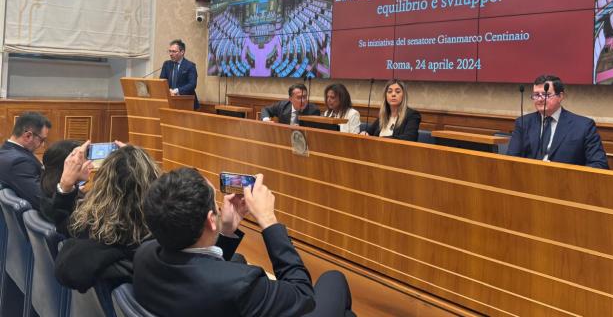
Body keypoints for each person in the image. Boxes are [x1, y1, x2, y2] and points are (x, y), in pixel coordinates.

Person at [134, 168, 355, 317]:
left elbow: (202, 268)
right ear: (211, 220)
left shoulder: (144, 255)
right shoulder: (240, 285)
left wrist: (226, 231)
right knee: (334, 279)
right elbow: (303, 298)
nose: (219, 207)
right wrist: (268, 221)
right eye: (215, 203)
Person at [55, 145, 162, 292]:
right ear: (153, 184)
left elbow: (62, 225)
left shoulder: (87, 226)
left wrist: (65, 185)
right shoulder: (159, 245)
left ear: (102, 185)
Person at [506, 74, 609, 169]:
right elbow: (510, 160)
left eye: (546, 94)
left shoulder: (583, 126)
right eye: (536, 95)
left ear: (560, 96)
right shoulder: (523, 123)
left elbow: (599, 164)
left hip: (566, 180)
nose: (540, 99)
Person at [0, 112, 52, 209]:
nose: (42, 145)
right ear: (28, 136)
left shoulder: (5, 150)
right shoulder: (19, 163)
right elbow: (43, 203)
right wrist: (65, 189)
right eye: (42, 140)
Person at [160, 39, 199, 109]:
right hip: (169, 101)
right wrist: (168, 91)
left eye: (174, 51)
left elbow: (192, 84)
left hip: (186, 103)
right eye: (170, 51)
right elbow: (162, 81)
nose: (171, 54)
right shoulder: (167, 64)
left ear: (182, 52)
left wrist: (176, 91)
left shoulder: (190, 66)